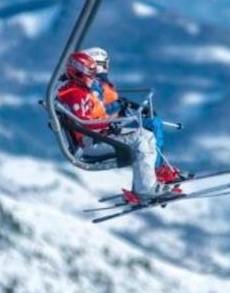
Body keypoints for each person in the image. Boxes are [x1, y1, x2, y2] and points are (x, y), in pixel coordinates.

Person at [56, 51, 181, 205]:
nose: (93, 78)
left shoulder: (80, 91)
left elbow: (92, 118)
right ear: (78, 73)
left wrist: (110, 123)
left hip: (100, 135)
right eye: (90, 74)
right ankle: (145, 191)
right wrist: (110, 123)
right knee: (140, 140)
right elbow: (84, 122)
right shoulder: (75, 95)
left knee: (147, 134)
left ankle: (144, 184)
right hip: (93, 142)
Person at [84, 46, 167, 162]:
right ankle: (159, 169)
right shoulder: (93, 86)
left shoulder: (99, 83)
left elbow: (110, 100)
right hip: (112, 127)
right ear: (99, 65)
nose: (107, 68)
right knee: (153, 125)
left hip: (117, 122)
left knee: (153, 123)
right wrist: (120, 105)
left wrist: (130, 105)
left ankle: (160, 166)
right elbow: (98, 110)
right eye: (105, 64)